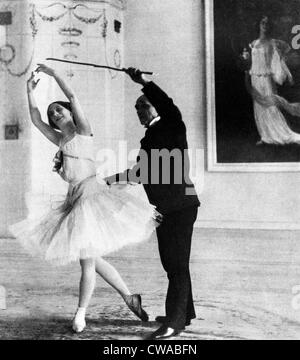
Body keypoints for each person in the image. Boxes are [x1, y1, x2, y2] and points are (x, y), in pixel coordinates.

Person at [10, 64, 160, 334]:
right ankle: (129, 297)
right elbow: (34, 119)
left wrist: (55, 75)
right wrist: (29, 90)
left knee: (87, 261)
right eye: (53, 113)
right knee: (91, 257)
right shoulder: (60, 139)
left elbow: (75, 97)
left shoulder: (83, 131)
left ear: (69, 111)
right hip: (75, 198)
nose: (55, 114)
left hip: (92, 197)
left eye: (59, 109)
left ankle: (80, 315)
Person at [105, 68, 200, 340]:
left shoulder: (172, 124)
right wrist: (108, 180)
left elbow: (168, 105)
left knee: (176, 264)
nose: (139, 110)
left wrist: (144, 83)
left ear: (156, 106)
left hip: (180, 206)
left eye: (143, 105)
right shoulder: (150, 136)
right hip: (166, 208)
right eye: (136, 107)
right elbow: (141, 172)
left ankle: (174, 323)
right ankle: (185, 314)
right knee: (175, 263)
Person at [243, 15, 300, 145]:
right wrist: (246, 59)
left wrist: (288, 74)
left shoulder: (271, 43)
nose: (264, 25)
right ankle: (265, 136)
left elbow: (279, 60)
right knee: (259, 108)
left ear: (269, 27)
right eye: (262, 23)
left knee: (271, 106)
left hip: (266, 78)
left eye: (267, 24)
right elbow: (251, 61)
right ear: (259, 24)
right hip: (254, 78)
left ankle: (281, 134)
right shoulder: (253, 43)